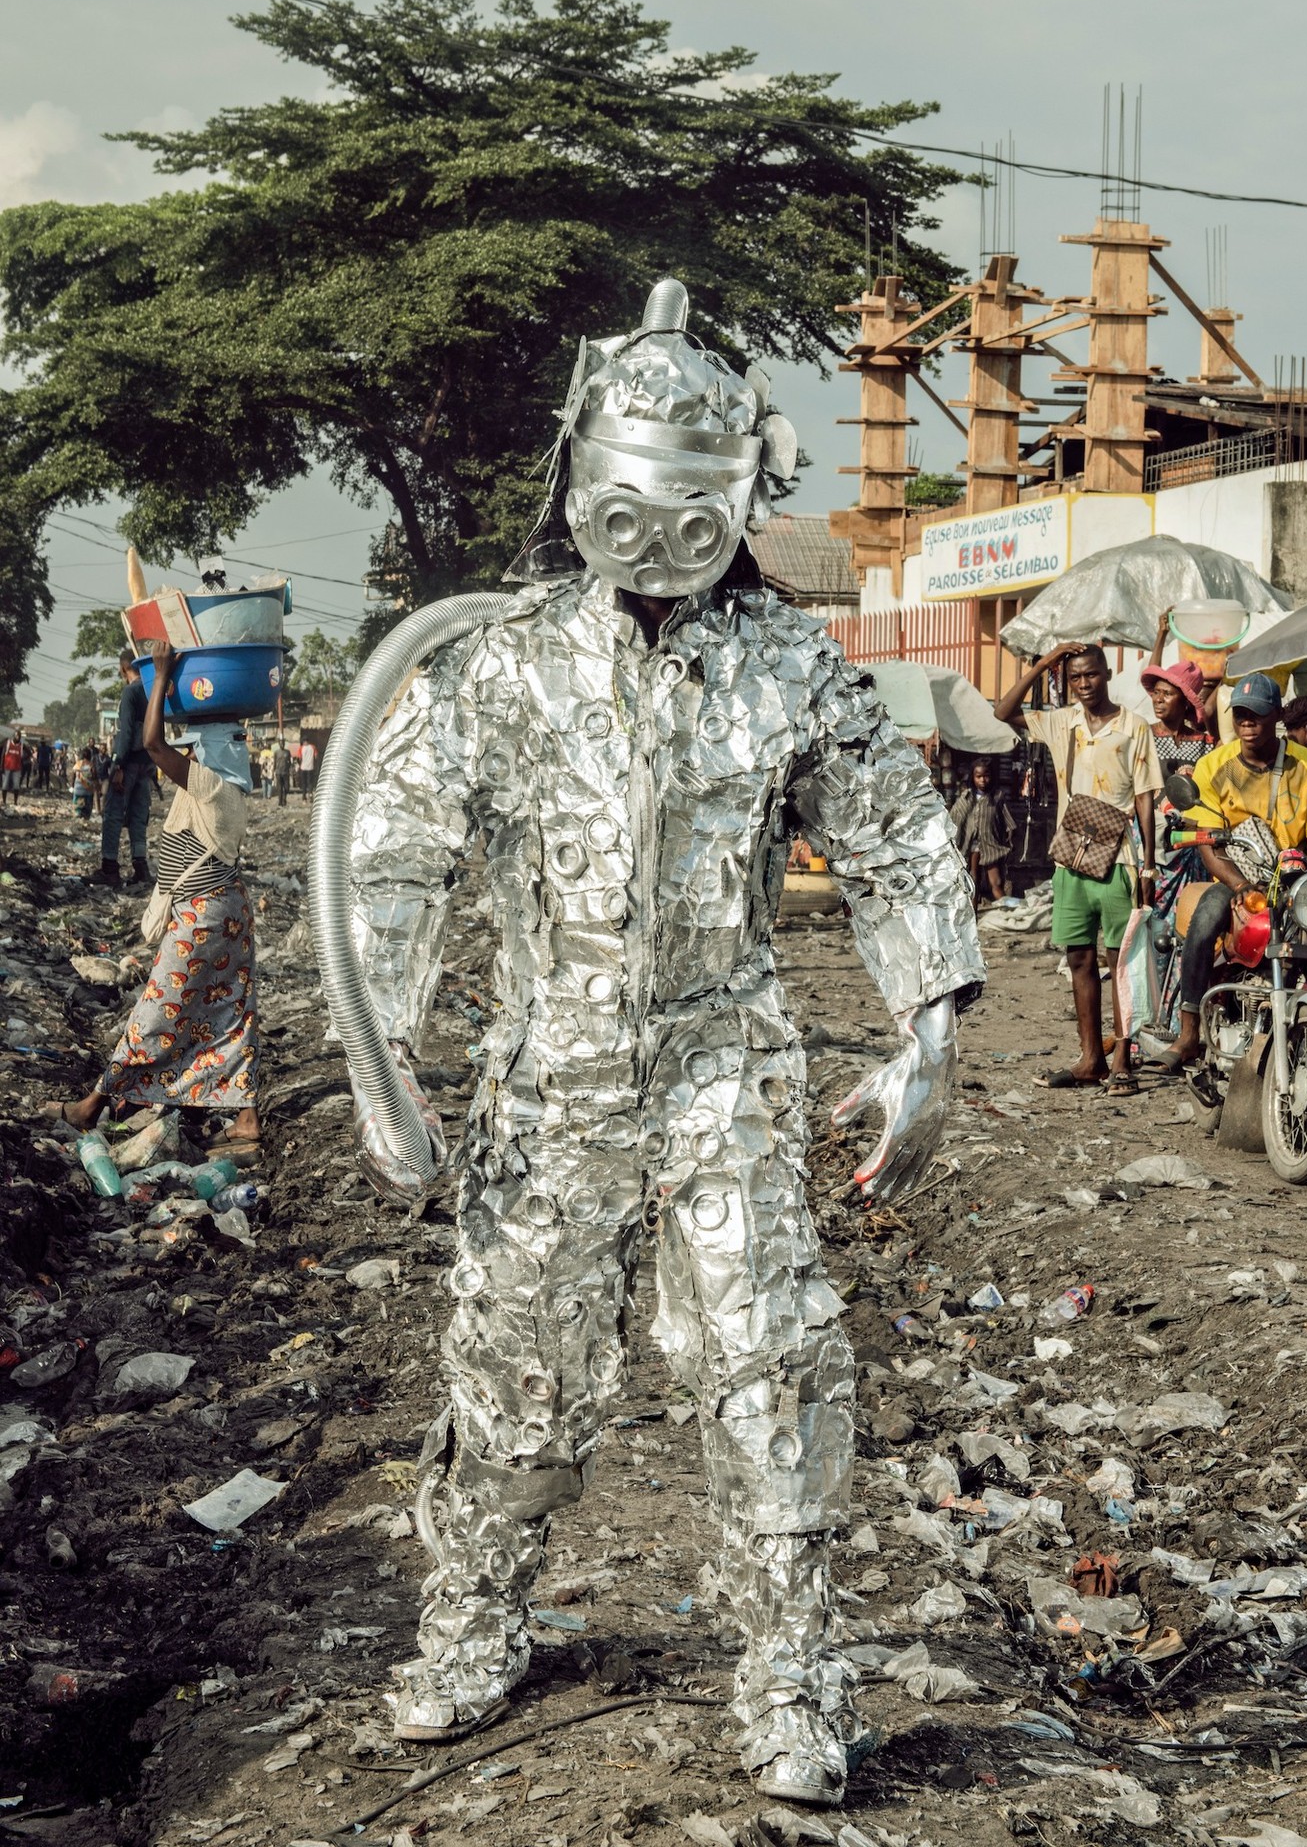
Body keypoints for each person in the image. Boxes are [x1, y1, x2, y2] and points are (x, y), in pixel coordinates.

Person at [329, 280, 982, 1806]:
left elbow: (894, 838)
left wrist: (928, 1032)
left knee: (770, 1366)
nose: (664, 542)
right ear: (580, 486)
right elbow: (390, 855)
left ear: (742, 497)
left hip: (723, 1074)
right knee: (516, 1373)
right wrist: (387, 1054)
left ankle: (795, 1680)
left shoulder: (791, 665)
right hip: (545, 1078)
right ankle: (472, 1626)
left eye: (700, 506)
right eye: (634, 502)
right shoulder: (491, 666)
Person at [45, 639, 260, 1162]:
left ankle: (94, 1103)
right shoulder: (222, 788)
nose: (189, 754)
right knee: (230, 1012)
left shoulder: (215, 788)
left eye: (197, 747)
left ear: (211, 753)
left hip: (205, 916)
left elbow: (152, 743)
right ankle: (246, 1116)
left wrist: (160, 676)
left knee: (158, 1009)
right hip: (223, 912)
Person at [996, 641, 1159, 1095]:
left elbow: (1145, 796)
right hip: (1071, 854)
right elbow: (1003, 712)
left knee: (1120, 963)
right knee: (1079, 958)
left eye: (1091, 675)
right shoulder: (1062, 722)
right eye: (1075, 677)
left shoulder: (1133, 726)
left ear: (1107, 674)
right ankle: (1091, 1059)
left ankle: (1122, 1060)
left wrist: (1148, 865)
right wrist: (1044, 664)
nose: (1084, 684)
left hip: (1120, 857)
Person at [1163, 672, 1307, 1070]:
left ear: (1278, 715)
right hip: (1234, 877)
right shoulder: (1214, 765)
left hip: (1293, 881)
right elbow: (1209, 845)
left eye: (1257, 714)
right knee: (1205, 918)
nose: (1247, 722)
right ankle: (1189, 1028)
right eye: (1241, 714)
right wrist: (1242, 886)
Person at [1141, 657, 1215, 921]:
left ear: (1185, 701)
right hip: (1154, 844)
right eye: (1156, 692)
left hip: (1191, 845)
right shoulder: (1143, 736)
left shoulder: (1206, 742)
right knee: (1153, 923)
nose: (1158, 699)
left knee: (1190, 919)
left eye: (1167, 694)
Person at [96, 649, 155, 889]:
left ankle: (110, 868)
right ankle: (140, 867)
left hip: (129, 762)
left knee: (113, 814)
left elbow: (127, 731)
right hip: (148, 762)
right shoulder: (152, 690)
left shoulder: (130, 692)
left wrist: (118, 763)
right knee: (139, 817)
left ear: (123, 669)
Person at [949, 759, 1015, 903]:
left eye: (986, 776)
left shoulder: (997, 797)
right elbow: (955, 815)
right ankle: (973, 917)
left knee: (996, 882)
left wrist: (1010, 837)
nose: (983, 780)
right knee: (974, 880)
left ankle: (1010, 911)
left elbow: (1007, 819)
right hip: (971, 845)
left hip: (991, 845)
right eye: (978, 776)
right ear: (973, 778)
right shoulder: (967, 796)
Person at [1, 726, 23, 811]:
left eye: (19, 736)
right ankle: (4, 801)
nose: (18, 737)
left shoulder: (21, 746)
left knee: (16, 786)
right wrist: (1, 767)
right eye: (17, 735)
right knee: (5, 785)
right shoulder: (8, 743)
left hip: (17, 769)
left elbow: (26, 754)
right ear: (13, 736)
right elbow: (3, 755)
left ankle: (15, 802)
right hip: (7, 768)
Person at [71, 746, 94, 820]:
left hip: (79, 789)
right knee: (87, 810)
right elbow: (94, 776)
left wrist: (72, 786)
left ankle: (78, 821)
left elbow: (74, 775)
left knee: (78, 809)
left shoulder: (78, 764)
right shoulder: (91, 765)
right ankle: (86, 820)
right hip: (89, 790)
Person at [273, 739, 292, 806]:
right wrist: (273, 771)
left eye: (283, 743)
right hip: (278, 772)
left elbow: (290, 762)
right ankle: (280, 801)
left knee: (286, 787)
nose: (282, 745)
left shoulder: (287, 752)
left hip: (285, 772)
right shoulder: (276, 752)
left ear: (284, 744)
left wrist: (289, 769)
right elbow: (274, 762)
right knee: (279, 788)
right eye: (281, 743)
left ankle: (284, 798)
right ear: (279, 744)